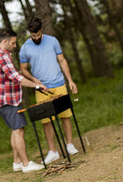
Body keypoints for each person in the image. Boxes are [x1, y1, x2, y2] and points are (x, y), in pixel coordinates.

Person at [19, 17, 79, 165]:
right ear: (29, 33)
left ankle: (69, 144)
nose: (36, 38)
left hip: (59, 84)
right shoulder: (25, 48)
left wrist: (70, 80)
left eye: (38, 35)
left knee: (65, 116)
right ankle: (53, 151)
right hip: (42, 89)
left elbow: (62, 60)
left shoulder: (53, 41)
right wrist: (34, 81)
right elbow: (23, 69)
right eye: (33, 36)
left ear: (41, 31)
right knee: (46, 121)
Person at [0, 28, 47, 173]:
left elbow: (11, 74)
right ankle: (26, 164)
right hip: (8, 101)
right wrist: (37, 86)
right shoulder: (1, 56)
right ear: (5, 41)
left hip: (2, 100)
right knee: (19, 130)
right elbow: (17, 78)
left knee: (16, 130)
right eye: (13, 43)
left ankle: (17, 162)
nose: (15, 46)